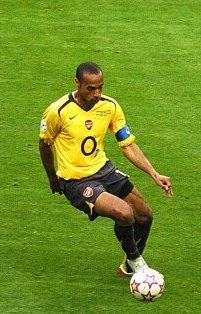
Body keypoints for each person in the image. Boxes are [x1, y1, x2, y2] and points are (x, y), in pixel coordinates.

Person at [39, 62, 173, 275]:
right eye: (90, 88)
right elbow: (45, 144)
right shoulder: (58, 111)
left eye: (100, 87)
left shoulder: (109, 106)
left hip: (105, 171)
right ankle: (137, 263)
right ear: (77, 83)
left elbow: (127, 144)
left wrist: (153, 173)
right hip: (77, 181)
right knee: (124, 213)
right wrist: (53, 178)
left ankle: (128, 266)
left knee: (144, 215)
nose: (97, 93)